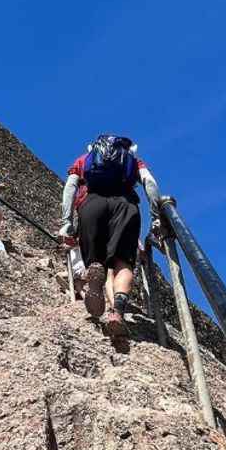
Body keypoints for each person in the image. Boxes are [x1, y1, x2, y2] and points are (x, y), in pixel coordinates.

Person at [59, 135, 160, 335]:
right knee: (123, 262)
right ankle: (118, 312)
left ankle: (96, 270)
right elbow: (149, 182)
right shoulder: (132, 159)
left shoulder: (85, 158)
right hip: (125, 205)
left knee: (96, 259)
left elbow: (70, 187)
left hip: (91, 204)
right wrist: (156, 217)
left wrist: (67, 223)